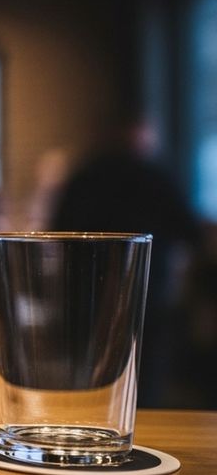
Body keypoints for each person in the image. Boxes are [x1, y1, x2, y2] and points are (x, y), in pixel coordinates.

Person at [51, 114, 203, 407]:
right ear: (140, 135)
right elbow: (190, 232)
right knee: (145, 374)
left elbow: (58, 230)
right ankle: (142, 429)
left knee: (91, 370)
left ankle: (90, 420)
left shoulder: (85, 176)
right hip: (148, 290)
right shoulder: (156, 176)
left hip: (89, 290)